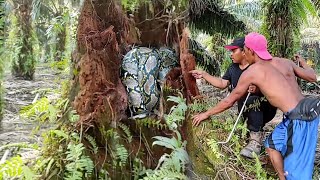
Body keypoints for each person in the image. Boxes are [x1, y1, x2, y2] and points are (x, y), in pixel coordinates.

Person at [192, 32, 320, 180]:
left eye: (244, 49)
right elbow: (311, 76)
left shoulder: (253, 71)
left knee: (298, 174)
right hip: (301, 110)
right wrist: (302, 62)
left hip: (299, 117)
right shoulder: (284, 62)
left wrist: (206, 114)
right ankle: (281, 176)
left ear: (250, 51)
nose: (244, 53)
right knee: (271, 145)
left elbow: (229, 101)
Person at [190, 37, 277, 158]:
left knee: (252, 100)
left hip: (265, 109)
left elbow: (271, 88)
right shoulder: (233, 68)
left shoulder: (256, 67)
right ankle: (249, 130)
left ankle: (255, 142)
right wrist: (204, 74)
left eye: (233, 51)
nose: (231, 54)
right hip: (244, 110)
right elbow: (222, 83)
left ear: (244, 51)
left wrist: (257, 90)